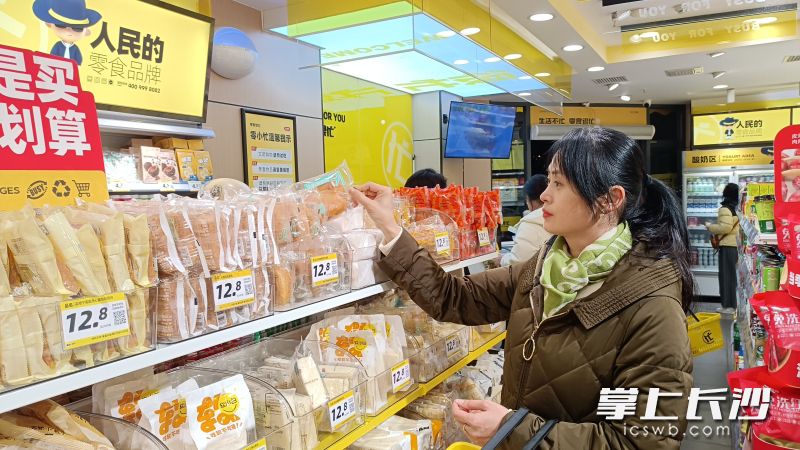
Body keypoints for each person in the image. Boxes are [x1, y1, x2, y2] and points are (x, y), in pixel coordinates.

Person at [350, 127, 694, 450]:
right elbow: (454, 297)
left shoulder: (653, 307)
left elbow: (641, 441)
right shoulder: (542, 270)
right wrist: (390, 227)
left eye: (559, 184)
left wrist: (512, 428)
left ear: (609, 200)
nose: (544, 195)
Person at [501, 174, 551, 266]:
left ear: (530, 200)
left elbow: (517, 262)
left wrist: (502, 260)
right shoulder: (561, 216)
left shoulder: (531, 223)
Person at [33, 0, 103, 66]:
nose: (68, 31)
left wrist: (77, 66)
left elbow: (78, 59)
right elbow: (52, 56)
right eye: (60, 25)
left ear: (86, 32)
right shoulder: (58, 45)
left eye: (77, 28)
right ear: (49, 24)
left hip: (71, 70)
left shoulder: (75, 48)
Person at [705, 182, 740, 314]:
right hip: (734, 245)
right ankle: (730, 305)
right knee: (731, 276)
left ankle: (728, 306)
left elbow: (725, 227)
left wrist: (710, 226)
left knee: (726, 276)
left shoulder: (725, 209)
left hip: (727, 245)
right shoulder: (736, 208)